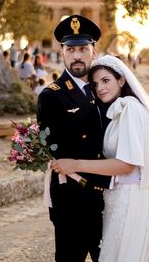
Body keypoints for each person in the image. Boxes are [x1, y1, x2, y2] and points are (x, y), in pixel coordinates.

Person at [52, 55, 149, 261]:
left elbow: (126, 165)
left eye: (105, 80)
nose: (99, 88)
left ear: (121, 80)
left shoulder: (130, 109)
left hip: (132, 200)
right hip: (119, 197)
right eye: (95, 84)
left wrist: (76, 164)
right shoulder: (119, 110)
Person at [36, 15, 111, 262]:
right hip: (73, 199)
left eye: (83, 49)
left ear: (94, 51)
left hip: (110, 194)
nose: (77, 55)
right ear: (62, 52)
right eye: (71, 49)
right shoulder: (51, 96)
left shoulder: (106, 91)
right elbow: (60, 150)